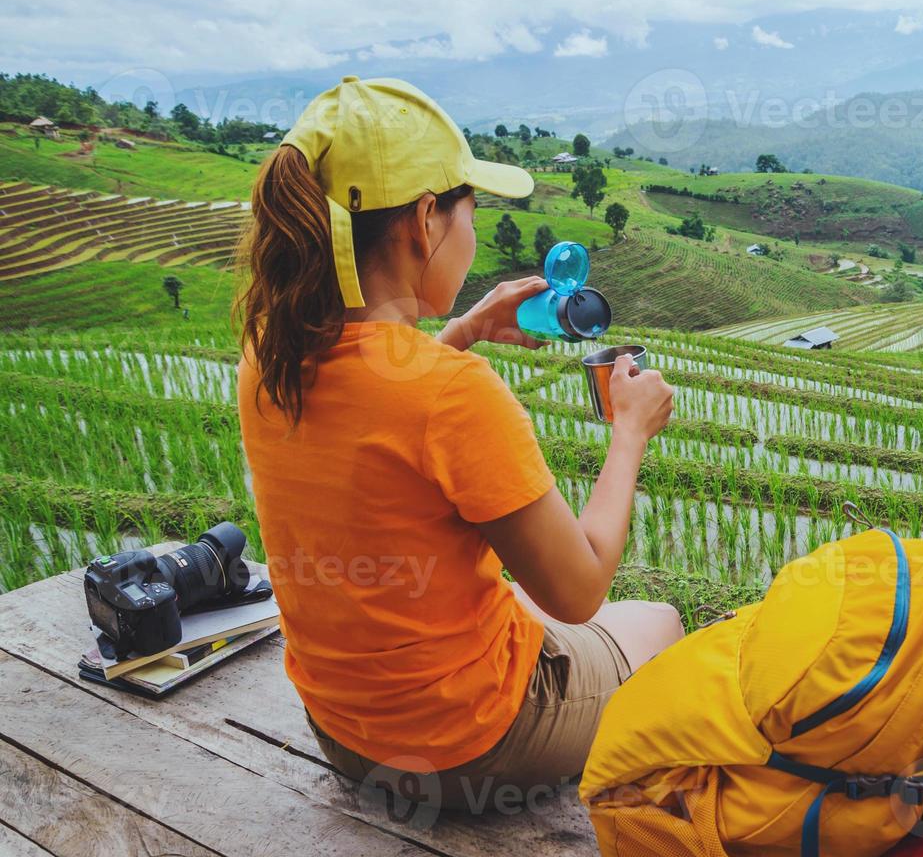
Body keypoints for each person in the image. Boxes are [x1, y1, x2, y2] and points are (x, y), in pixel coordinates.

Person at [233, 75, 681, 811]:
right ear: (424, 221)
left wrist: (461, 333)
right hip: (468, 748)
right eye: (470, 208)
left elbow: (379, 425)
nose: (473, 233)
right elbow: (579, 589)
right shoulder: (452, 394)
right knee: (656, 621)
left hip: (343, 733)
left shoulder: (269, 356)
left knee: (513, 601)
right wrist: (630, 431)